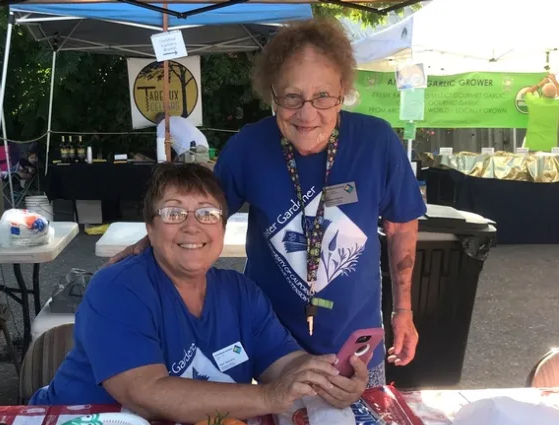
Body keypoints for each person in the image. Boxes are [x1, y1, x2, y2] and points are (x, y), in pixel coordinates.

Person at [112, 20, 426, 388]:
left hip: (355, 348)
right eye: (291, 97)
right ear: (272, 93)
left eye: (323, 96)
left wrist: (402, 310)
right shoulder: (249, 147)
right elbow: (201, 216)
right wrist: (150, 244)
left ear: (344, 90)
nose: (308, 115)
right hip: (271, 349)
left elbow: (402, 224)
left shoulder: (378, 142)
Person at [30, 164, 369, 423]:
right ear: (150, 228)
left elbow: (283, 362)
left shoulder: (241, 292)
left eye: (207, 213)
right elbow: (145, 392)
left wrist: (326, 377)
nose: (192, 226)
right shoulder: (118, 287)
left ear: (222, 227)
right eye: (173, 212)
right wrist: (266, 398)